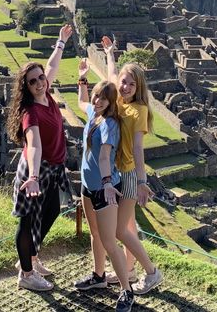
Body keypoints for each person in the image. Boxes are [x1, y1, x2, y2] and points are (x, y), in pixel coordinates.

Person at [7, 24, 73, 292]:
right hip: (35, 172)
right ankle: (26, 273)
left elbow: (52, 66)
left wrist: (60, 42)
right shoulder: (30, 112)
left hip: (53, 169)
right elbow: (33, 144)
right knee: (28, 220)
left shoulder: (47, 96)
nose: (39, 83)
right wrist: (33, 176)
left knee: (52, 210)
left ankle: (31, 256)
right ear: (26, 86)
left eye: (40, 78)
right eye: (32, 81)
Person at [73, 59, 136, 312]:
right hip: (88, 185)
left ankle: (127, 291)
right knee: (95, 234)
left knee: (110, 241)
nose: (97, 101)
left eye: (103, 99)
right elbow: (81, 102)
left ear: (111, 104)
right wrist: (82, 79)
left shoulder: (109, 125)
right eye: (97, 97)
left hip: (104, 188)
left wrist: (109, 183)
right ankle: (98, 277)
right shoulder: (94, 114)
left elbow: (103, 155)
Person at [103, 35, 164, 295]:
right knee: (128, 227)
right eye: (124, 83)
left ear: (139, 87)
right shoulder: (120, 101)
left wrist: (142, 182)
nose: (125, 86)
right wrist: (109, 53)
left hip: (128, 175)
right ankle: (127, 271)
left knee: (120, 230)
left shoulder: (138, 111)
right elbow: (112, 75)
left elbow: (138, 148)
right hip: (117, 173)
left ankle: (152, 273)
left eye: (131, 83)